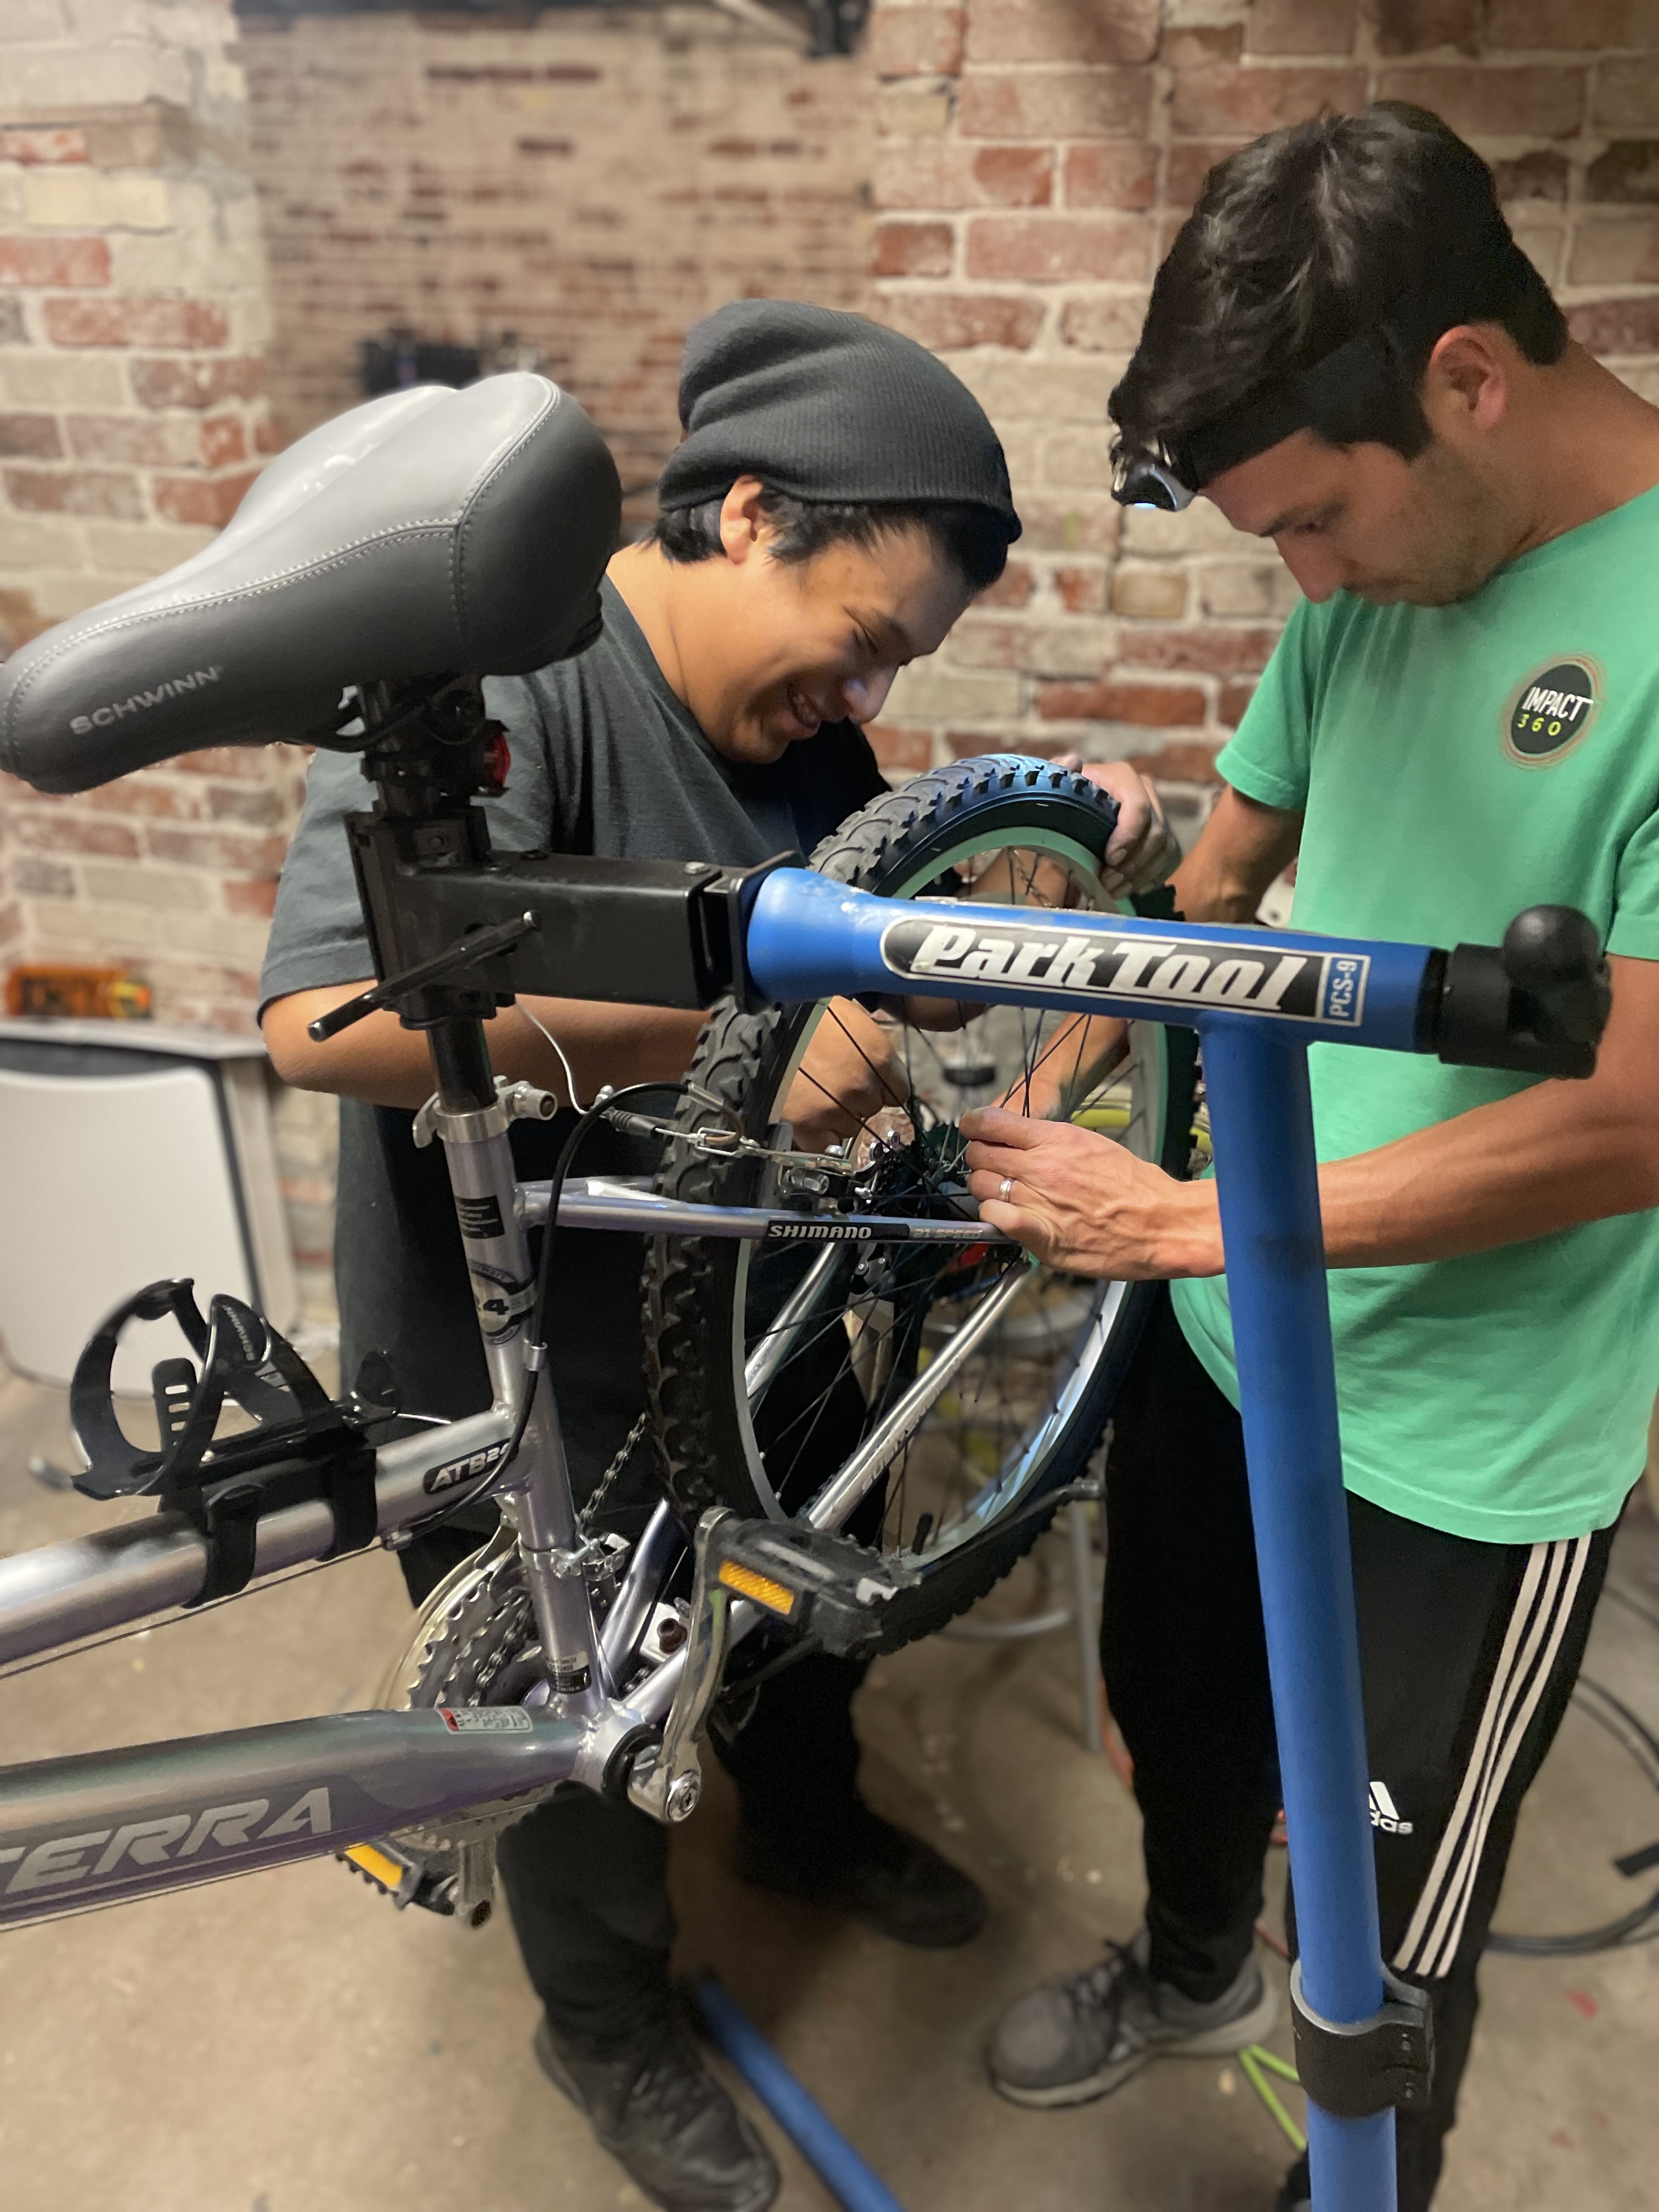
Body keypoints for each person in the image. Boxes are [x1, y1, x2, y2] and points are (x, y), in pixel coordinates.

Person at [259, 300, 1173, 2212]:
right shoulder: (505, 680)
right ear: (749, 514)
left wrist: (1072, 843)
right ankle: (601, 2020)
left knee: (800, 1617)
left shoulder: (811, 751)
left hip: (768, 1330)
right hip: (535, 1385)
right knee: (574, 1738)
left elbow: (874, 948)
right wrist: (736, 1044)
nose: (863, 701)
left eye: (895, 673)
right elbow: (326, 1022)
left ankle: (807, 1826)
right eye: (864, 647)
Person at [960, 104, 1659, 2212]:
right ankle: (1182, 1971)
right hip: (1240, 1335)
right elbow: (1229, 871)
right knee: (1180, 1724)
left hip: (1468, 1442)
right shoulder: (1362, 578)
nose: (1313, 580)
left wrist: (1184, 1220)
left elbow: (1633, 1111)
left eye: (1320, 522)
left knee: (1375, 1975)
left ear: (1468, 376)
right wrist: (1096, 1041)